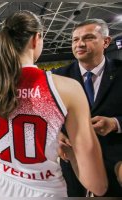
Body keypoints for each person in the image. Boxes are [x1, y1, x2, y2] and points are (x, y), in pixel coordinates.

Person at [0, 11, 108, 197]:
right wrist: (70, 153)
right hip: (45, 191)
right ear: (36, 39)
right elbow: (97, 185)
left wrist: (3, 172)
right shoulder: (67, 88)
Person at [54, 19, 122, 197]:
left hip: (115, 160)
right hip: (73, 159)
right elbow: (49, 117)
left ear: (106, 42)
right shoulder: (58, 76)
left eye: (88, 37)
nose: (80, 44)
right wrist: (56, 135)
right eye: (75, 40)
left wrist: (115, 123)